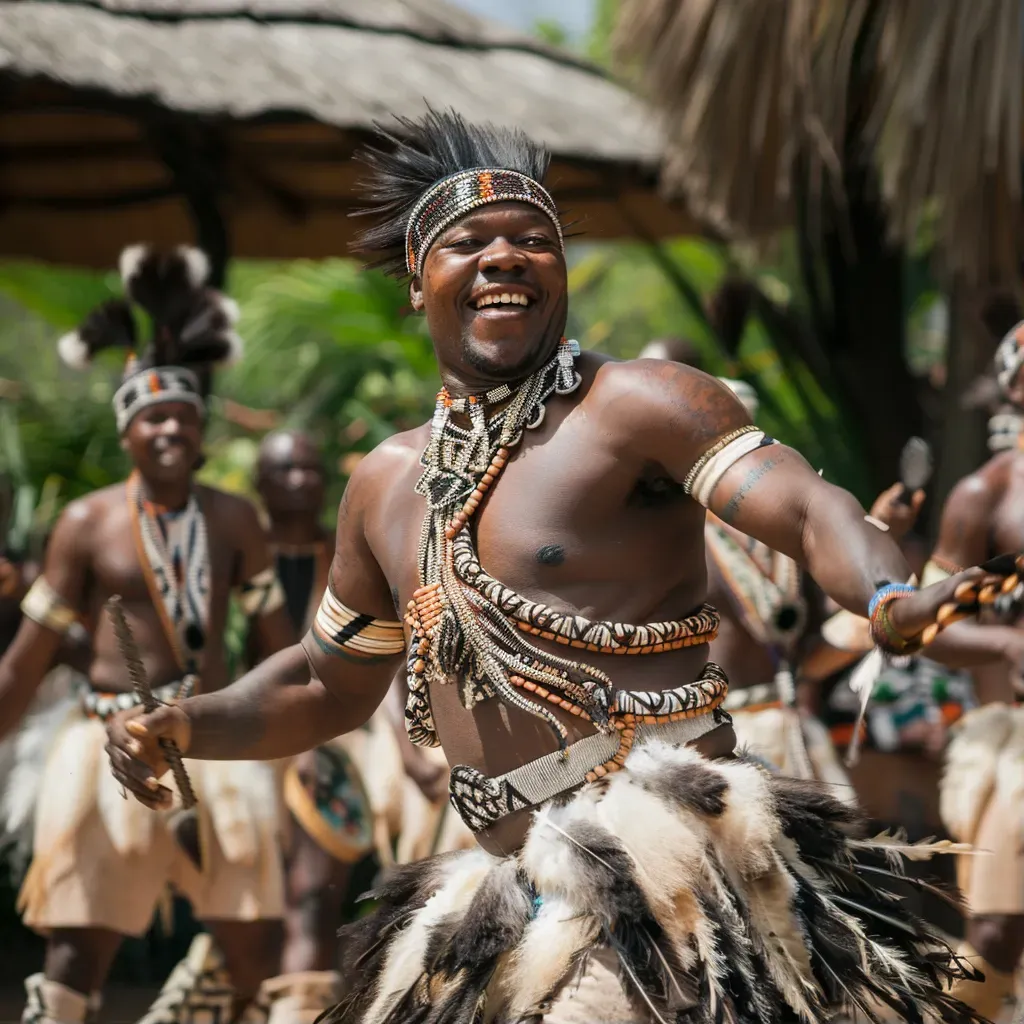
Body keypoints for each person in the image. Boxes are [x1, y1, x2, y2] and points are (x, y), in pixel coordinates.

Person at [107, 110, 1000, 1023]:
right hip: (508, 885)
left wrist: (886, 593)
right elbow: (325, 682)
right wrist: (185, 723)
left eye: (534, 241)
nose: (505, 257)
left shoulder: (641, 405)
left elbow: (808, 506)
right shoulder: (384, 481)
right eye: (469, 244)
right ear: (418, 283)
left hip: (667, 872)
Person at [0, 245, 297, 1024]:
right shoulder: (86, 524)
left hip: (213, 727)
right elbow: (27, 662)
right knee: (79, 938)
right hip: (112, 734)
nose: (170, 429)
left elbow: (279, 645)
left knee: (252, 933)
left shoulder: (235, 520)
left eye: (184, 416)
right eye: (152, 417)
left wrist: (300, 737)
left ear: (201, 429)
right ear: (127, 431)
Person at [918, 322, 1024, 1018]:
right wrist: (1009, 648)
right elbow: (927, 625)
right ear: (1016, 387)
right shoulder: (989, 497)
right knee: (997, 928)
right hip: (1018, 745)